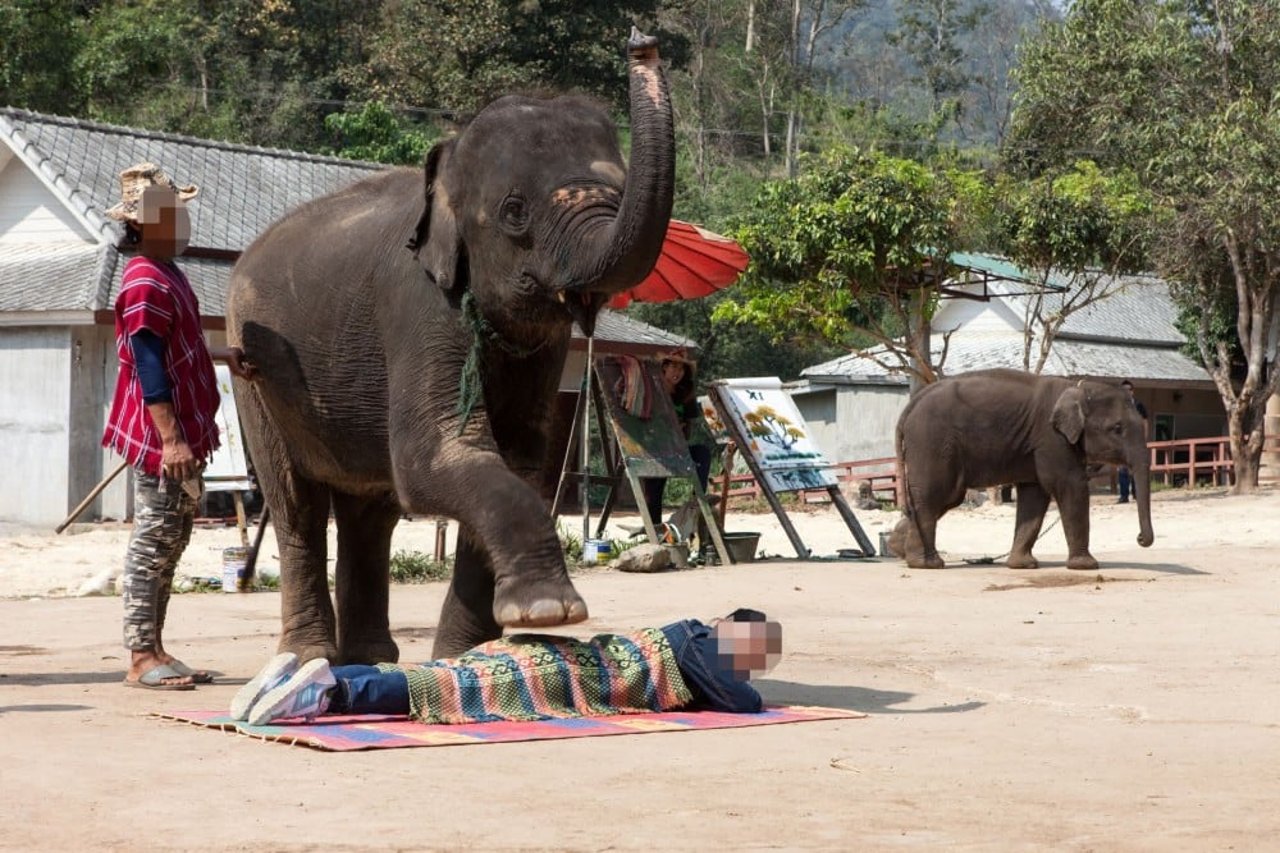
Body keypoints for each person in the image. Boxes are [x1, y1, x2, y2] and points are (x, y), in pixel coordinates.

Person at [102, 163, 256, 691]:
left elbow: (179, 349)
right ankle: (142, 655)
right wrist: (171, 440)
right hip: (162, 439)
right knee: (154, 542)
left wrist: (225, 354)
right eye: (171, 215)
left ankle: (156, 647)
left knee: (172, 539)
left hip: (184, 431)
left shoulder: (168, 272)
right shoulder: (144, 280)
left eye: (181, 213)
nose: (182, 223)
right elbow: (148, 367)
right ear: (144, 224)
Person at [231, 608, 783, 727]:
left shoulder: (678, 639)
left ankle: (302, 680)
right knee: (446, 688)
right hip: (567, 675)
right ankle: (326, 697)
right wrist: (752, 689)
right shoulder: (697, 644)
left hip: (551, 656)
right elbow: (741, 702)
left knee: (449, 675)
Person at [641, 349, 714, 538]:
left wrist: (678, 429)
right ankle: (654, 534)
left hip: (676, 448)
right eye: (673, 366)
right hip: (654, 450)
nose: (678, 372)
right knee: (654, 489)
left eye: (681, 368)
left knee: (702, 453)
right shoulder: (651, 393)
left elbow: (687, 431)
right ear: (664, 368)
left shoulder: (686, 395)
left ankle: (695, 503)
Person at [1117, 379, 1150, 504]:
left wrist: (1144, 438)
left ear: (1133, 391)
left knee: (1136, 468)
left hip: (1136, 441)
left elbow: (1145, 421)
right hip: (1122, 441)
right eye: (1123, 390)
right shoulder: (1117, 406)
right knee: (1122, 468)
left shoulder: (1138, 405)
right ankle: (1123, 495)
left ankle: (1137, 494)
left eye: (1129, 389)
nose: (1126, 392)